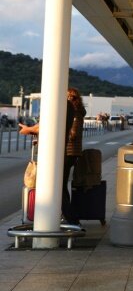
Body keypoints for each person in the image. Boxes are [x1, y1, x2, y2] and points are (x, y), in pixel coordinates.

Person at [19, 88, 86, 225]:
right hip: (67, 152)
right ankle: (69, 217)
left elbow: (71, 133)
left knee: (57, 186)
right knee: (60, 185)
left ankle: (71, 219)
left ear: (70, 98)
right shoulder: (73, 111)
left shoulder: (73, 112)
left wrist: (32, 130)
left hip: (67, 152)